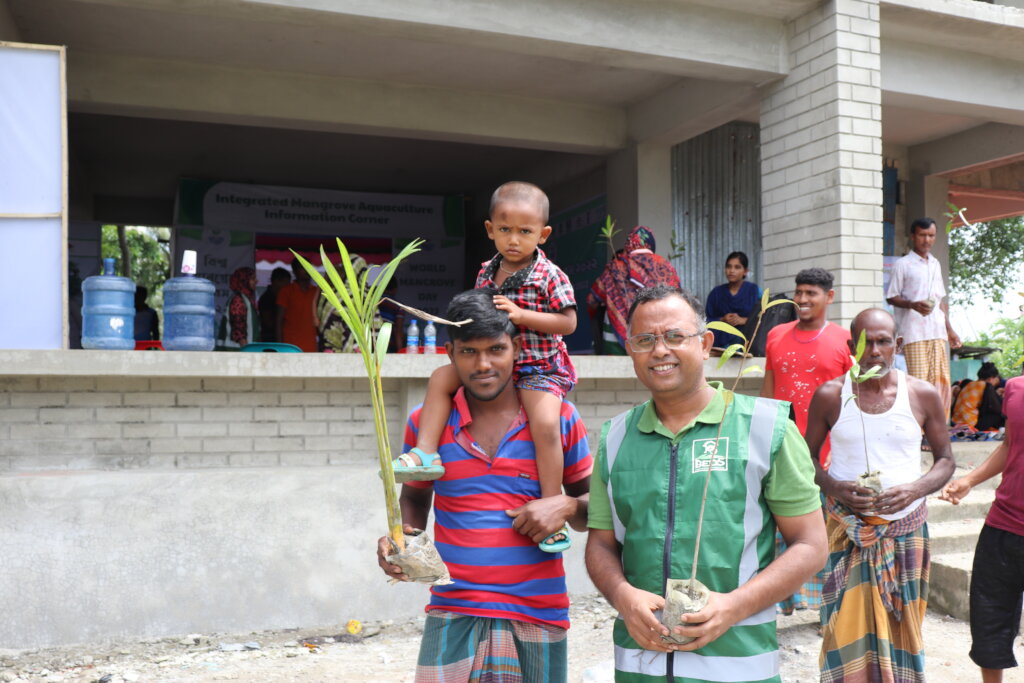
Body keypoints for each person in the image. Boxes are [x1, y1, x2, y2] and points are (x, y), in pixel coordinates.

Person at [585, 285, 827, 683]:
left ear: (705, 344)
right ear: (631, 350)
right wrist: (622, 596)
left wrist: (732, 606)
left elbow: (811, 545)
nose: (660, 350)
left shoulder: (765, 428)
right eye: (645, 340)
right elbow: (601, 544)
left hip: (738, 663)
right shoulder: (615, 438)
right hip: (639, 665)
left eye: (675, 337)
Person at [376, 288, 592, 682]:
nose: (483, 364)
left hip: (537, 612)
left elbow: (594, 507)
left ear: (516, 347)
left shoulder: (558, 419)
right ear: (449, 353)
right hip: (452, 609)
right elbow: (415, 495)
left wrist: (564, 506)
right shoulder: (427, 422)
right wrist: (402, 540)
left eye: (495, 349)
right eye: (468, 352)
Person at [393, 181, 578, 552]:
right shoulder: (486, 272)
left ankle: (550, 503)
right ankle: (425, 453)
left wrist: (524, 314)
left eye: (525, 232)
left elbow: (568, 322)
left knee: (544, 425)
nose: (514, 240)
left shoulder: (549, 275)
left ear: (542, 235)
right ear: (490, 229)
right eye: (505, 230)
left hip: (539, 365)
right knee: (440, 377)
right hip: (496, 362)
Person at [805, 308, 955, 683]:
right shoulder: (830, 395)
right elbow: (804, 461)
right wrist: (836, 486)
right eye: (865, 341)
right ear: (850, 345)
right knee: (842, 629)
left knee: (903, 628)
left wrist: (916, 489)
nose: (874, 350)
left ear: (897, 345)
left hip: (906, 533)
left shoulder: (921, 394)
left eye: (883, 341)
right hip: (846, 530)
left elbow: (946, 461)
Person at [760, 267, 852, 615]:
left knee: (827, 533)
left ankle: (830, 611)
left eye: (811, 293)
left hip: (826, 455)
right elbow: (768, 391)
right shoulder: (776, 335)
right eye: (798, 292)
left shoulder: (845, 340)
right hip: (781, 448)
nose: (802, 299)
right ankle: (781, 602)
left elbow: (852, 399)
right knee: (780, 528)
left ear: (829, 297)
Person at [941, 374, 1024, 683]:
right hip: (1002, 525)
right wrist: (969, 480)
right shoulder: (1015, 388)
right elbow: (1010, 445)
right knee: (988, 622)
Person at [886, 217, 962, 418]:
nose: (926, 240)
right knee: (919, 383)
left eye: (931, 235)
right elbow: (891, 296)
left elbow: (940, 302)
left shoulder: (935, 264)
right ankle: (918, 430)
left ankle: (936, 430)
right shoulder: (904, 264)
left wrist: (950, 329)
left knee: (941, 383)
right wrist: (912, 304)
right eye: (922, 235)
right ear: (913, 236)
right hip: (914, 332)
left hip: (937, 331)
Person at [587, 225, 680, 355]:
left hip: (617, 336)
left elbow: (592, 300)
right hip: (659, 336)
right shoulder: (665, 266)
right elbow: (678, 300)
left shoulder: (616, 266)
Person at [705, 251, 760, 349]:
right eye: (729, 267)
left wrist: (745, 320)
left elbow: (764, 317)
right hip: (719, 346)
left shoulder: (754, 291)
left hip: (746, 344)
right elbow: (706, 321)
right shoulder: (716, 293)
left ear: (745, 271)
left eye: (737, 267)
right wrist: (722, 319)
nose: (731, 270)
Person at [276, 259, 319, 352]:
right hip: (290, 347)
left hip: (311, 347)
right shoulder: (286, 291)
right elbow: (279, 321)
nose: (307, 270)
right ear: (295, 271)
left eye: (309, 268)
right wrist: (279, 347)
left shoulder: (316, 292)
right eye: (302, 268)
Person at [951, 362, 1005, 432]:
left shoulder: (969, 384)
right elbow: (996, 407)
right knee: (999, 414)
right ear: (991, 378)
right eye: (996, 379)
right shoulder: (986, 386)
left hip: (955, 421)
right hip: (970, 424)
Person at [216, 266, 259, 349]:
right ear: (244, 280)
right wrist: (246, 349)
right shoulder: (238, 300)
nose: (256, 281)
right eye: (252, 279)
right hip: (235, 350)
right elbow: (238, 326)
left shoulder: (247, 299)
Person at [258, 267, 290, 343]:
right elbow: (268, 322)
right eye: (286, 283)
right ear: (277, 281)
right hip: (269, 340)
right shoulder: (266, 298)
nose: (288, 287)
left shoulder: (281, 297)